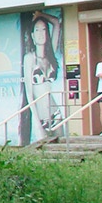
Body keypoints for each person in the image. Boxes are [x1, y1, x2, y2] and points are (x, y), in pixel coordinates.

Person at [21, 11, 62, 143]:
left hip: (55, 113)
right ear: (32, 35)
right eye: (37, 30)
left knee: (62, 146)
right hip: (40, 115)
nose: (41, 34)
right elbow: (29, 92)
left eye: (44, 30)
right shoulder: (29, 58)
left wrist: (41, 15)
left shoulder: (51, 55)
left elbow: (56, 22)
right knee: (44, 148)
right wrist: (37, 122)